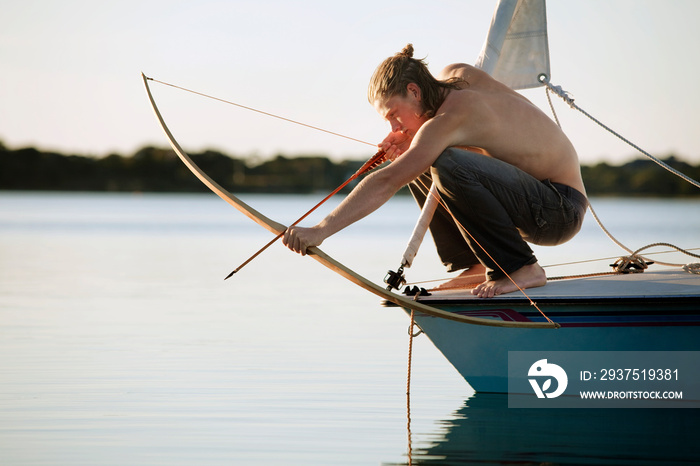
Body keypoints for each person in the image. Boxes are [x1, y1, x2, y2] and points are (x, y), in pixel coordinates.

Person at [283, 44, 587, 298]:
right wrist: (415, 139)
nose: (393, 127)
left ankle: (521, 267)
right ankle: (474, 266)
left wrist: (320, 230)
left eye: (393, 115)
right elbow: (488, 142)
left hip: (559, 210)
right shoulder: (456, 75)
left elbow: (389, 180)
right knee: (423, 156)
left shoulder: (453, 115)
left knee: (438, 160)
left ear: (414, 91)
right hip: (534, 197)